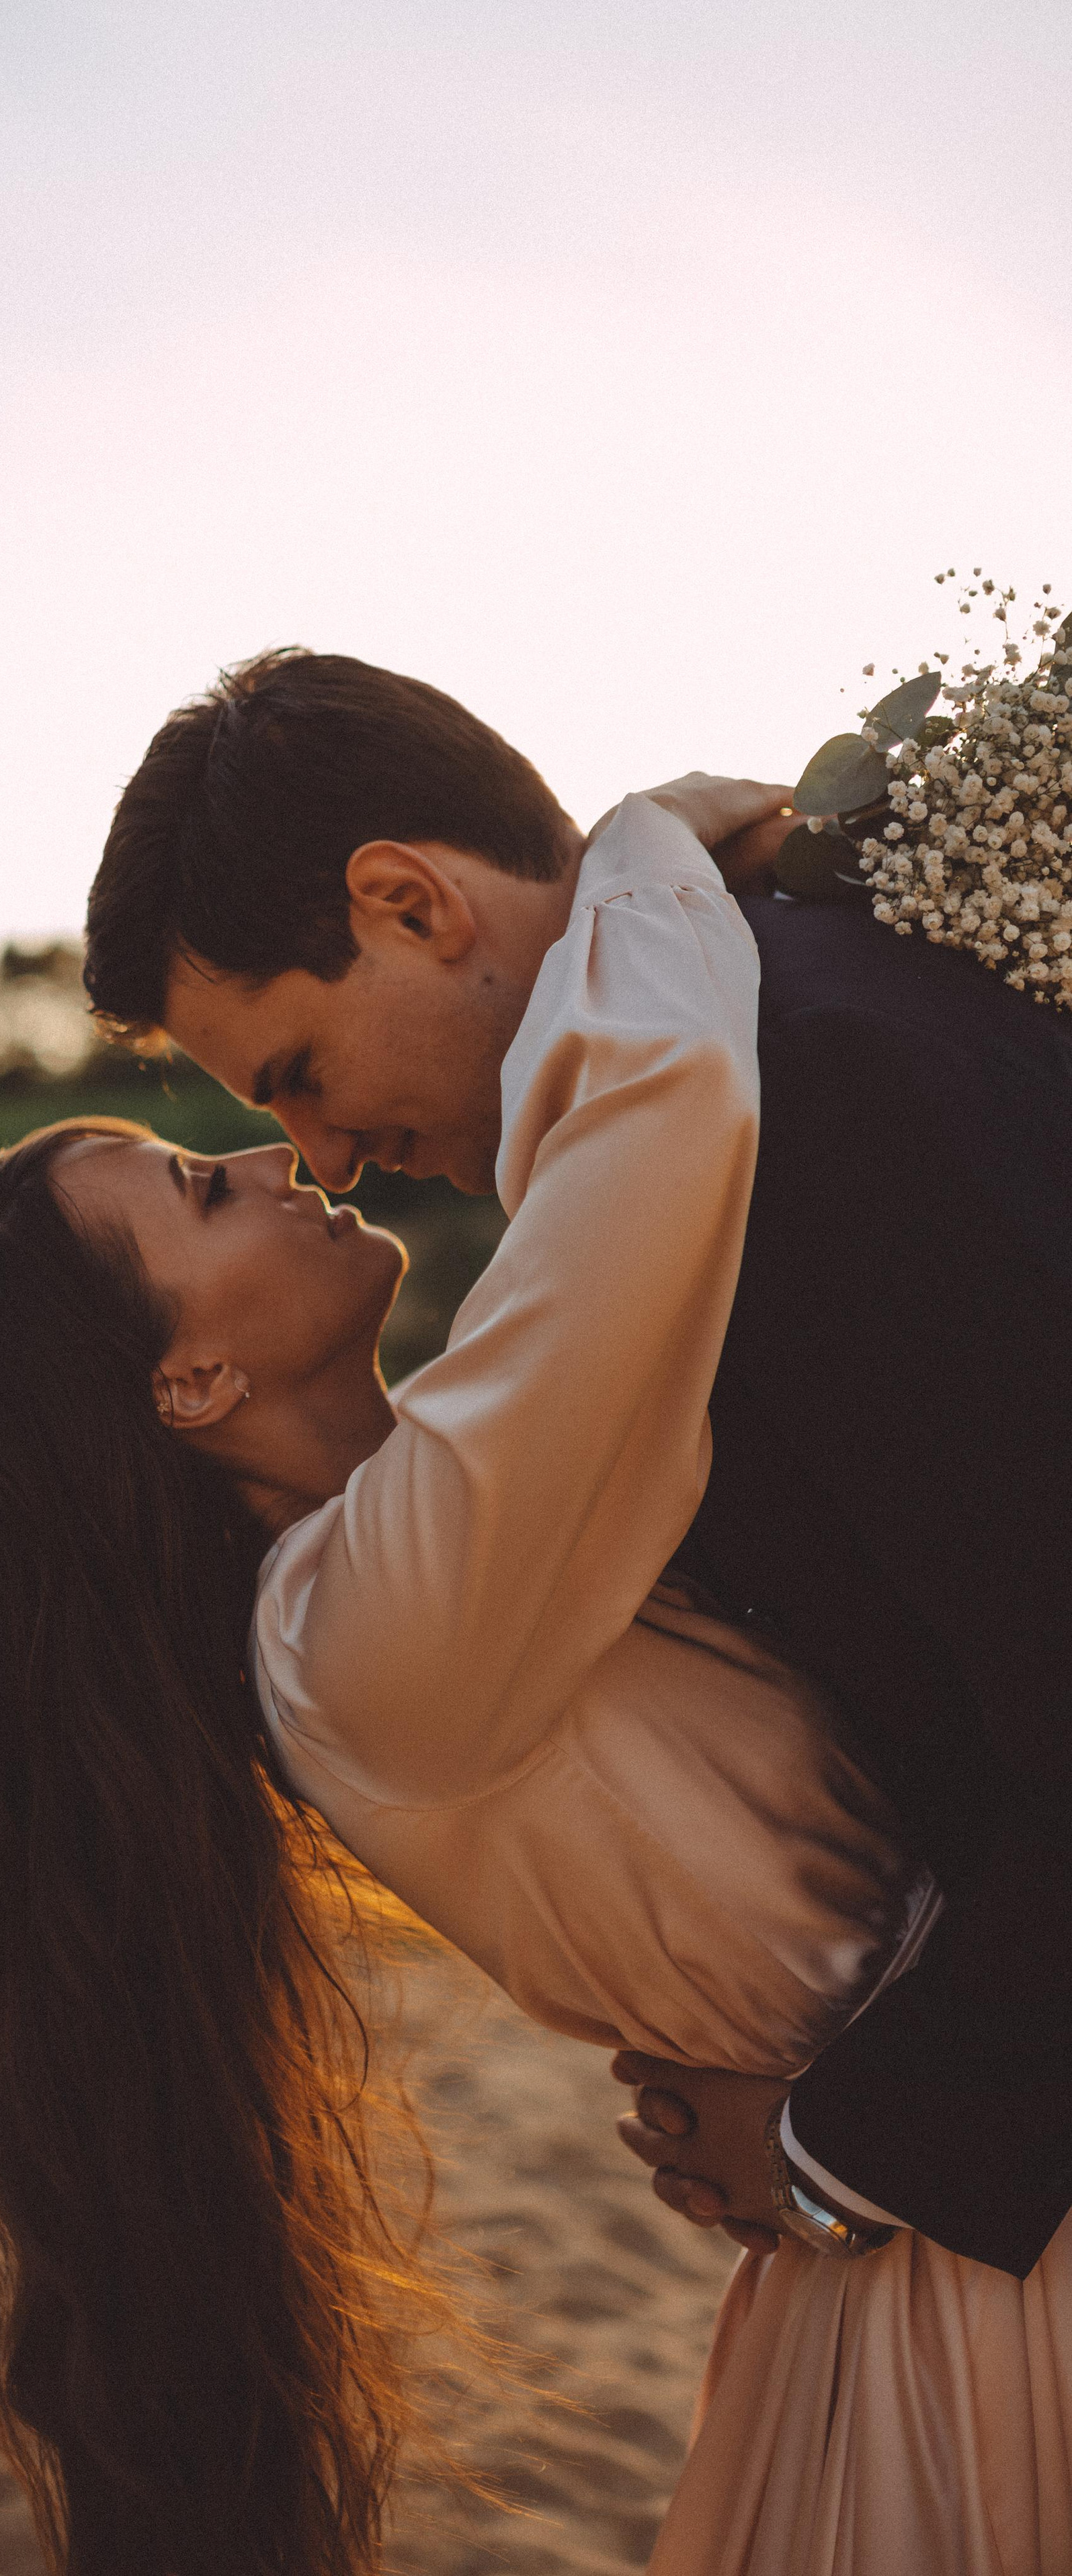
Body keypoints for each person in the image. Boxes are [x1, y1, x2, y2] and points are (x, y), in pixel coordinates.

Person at [0, 788, 1070, 2576]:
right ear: (188, 1385)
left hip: (942, 2168)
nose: (303, 1161)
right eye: (214, 1179)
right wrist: (641, 853)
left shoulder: (414, 1554)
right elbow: (648, 1154)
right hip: (947, 2220)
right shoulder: (359, 1640)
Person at [83, 646, 1072, 2287]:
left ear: (407, 904)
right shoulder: (769, 1032)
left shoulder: (811, 1096)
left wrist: (845, 2143)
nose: (320, 1158)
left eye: (298, 1074)